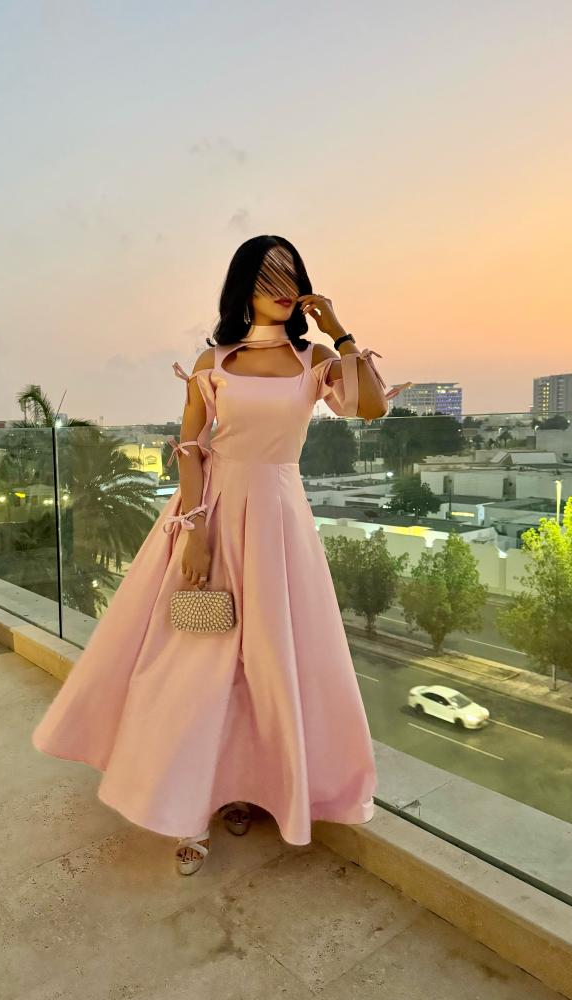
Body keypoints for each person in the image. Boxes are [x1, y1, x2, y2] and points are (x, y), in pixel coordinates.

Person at [31, 235, 410, 876]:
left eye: (290, 274)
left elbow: (370, 407)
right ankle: (187, 811)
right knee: (196, 666)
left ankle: (245, 788)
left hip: (280, 524)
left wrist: (339, 330)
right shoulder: (215, 361)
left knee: (268, 665)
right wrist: (196, 529)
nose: (281, 287)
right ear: (243, 287)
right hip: (211, 513)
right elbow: (191, 447)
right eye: (266, 276)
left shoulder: (314, 358)